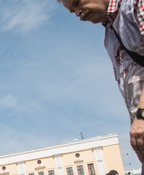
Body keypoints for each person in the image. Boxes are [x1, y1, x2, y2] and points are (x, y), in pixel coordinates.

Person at [58, 0, 144, 164]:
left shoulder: (134, 5)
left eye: (78, 3)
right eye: (72, 11)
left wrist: (142, 114)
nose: (78, 13)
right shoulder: (110, 35)